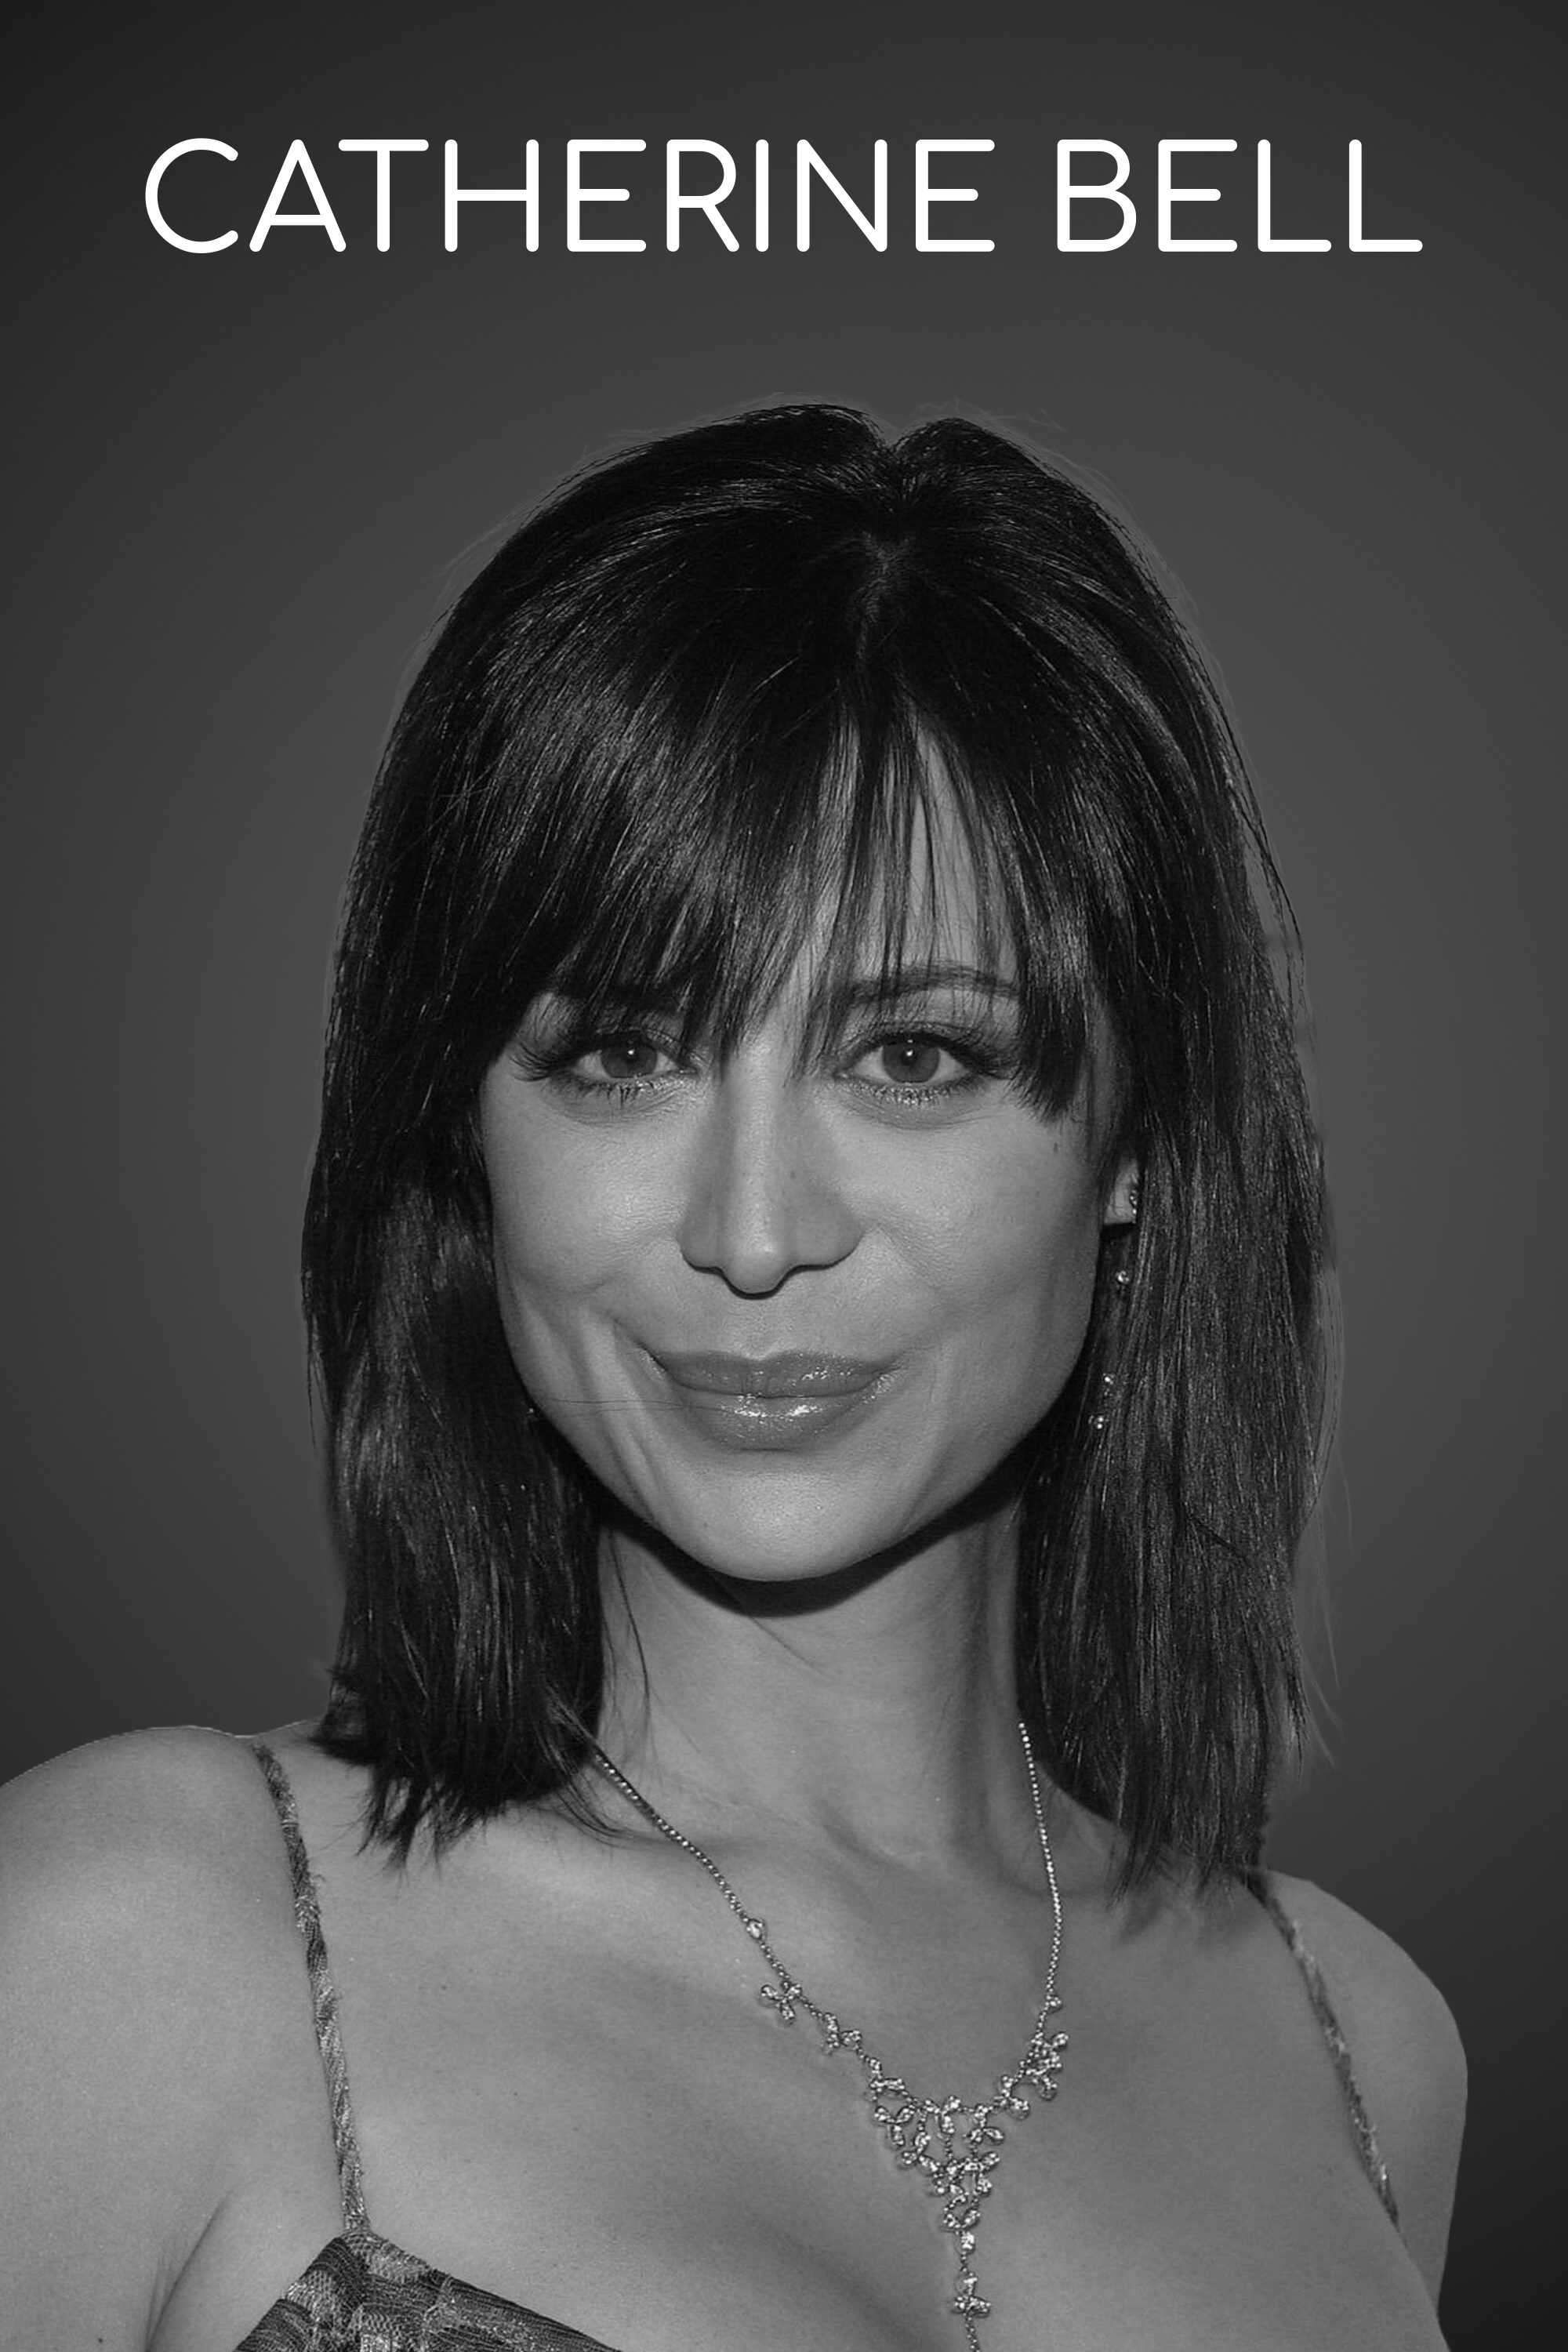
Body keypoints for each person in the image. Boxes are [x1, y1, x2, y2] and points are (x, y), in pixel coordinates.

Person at [0, 405, 1465, 2352]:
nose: (754, 1231)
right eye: (621, 1055)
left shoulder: (1360, 2047)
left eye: (914, 1058)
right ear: (465, 1136)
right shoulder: (145, 1937)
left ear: (1132, 1138)